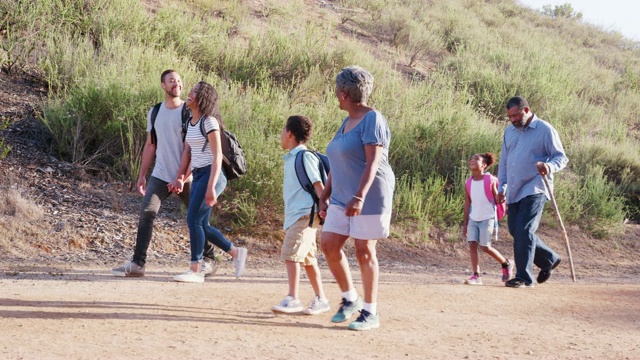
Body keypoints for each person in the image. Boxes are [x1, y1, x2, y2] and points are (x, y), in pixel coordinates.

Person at [111, 70, 218, 277]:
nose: (176, 84)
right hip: (161, 174)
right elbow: (150, 145)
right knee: (147, 213)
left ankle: (209, 259)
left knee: (197, 219)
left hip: (188, 176)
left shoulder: (188, 111)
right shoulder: (155, 112)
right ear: (163, 86)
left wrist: (183, 176)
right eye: (171, 81)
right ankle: (138, 264)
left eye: (179, 81)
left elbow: (192, 147)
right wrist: (142, 175)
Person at [319, 66, 395, 331]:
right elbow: (338, 161)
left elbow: (373, 162)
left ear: (343, 93)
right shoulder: (347, 120)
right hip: (341, 196)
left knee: (364, 250)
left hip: (370, 195)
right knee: (329, 243)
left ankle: (370, 312)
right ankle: (350, 298)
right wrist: (324, 196)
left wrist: (359, 196)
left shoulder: (373, 118)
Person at [169, 81, 248, 283]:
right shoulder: (190, 122)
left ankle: (195, 269)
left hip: (213, 175)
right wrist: (180, 177)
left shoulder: (209, 122)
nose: (190, 93)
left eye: (195, 92)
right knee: (201, 223)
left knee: (193, 219)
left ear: (203, 98)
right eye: (192, 90)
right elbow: (188, 153)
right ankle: (236, 253)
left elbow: (217, 156)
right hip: (198, 174)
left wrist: (212, 187)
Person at [497, 96, 568, 288]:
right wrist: (501, 187)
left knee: (525, 230)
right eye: (510, 116)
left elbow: (561, 157)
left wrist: (548, 166)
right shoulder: (509, 132)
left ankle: (524, 277)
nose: (513, 119)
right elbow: (504, 162)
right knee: (515, 230)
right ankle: (549, 259)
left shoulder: (545, 129)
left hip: (536, 186)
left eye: (516, 115)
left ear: (526, 110)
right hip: (514, 188)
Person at [271, 115, 330, 315]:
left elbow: (318, 184)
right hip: (300, 214)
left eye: (282, 130)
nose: (281, 135)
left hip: (305, 214)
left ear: (289, 133)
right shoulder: (292, 158)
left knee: (291, 253)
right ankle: (321, 299)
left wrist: (325, 206)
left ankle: (293, 298)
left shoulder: (304, 156)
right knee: (308, 258)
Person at [462, 152, 513, 285]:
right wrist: (465, 224)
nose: (472, 160)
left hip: (488, 218)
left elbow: (497, 198)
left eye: (476, 159)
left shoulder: (490, 180)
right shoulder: (468, 182)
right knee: (472, 244)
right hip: (474, 218)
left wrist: (500, 198)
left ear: (484, 165)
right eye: (471, 158)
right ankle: (476, 275)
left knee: (485, 247)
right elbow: (467, 203)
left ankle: (506, 263)